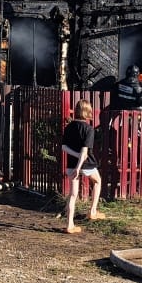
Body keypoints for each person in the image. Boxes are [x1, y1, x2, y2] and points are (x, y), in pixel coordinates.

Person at [61, 98, 103, 233]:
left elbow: (63, 147)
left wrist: (75, 157)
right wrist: (79, 167)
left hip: (71, 165)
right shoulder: (89, 129)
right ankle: (92, 211)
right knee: (97, 181)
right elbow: (84, 152)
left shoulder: (69, 127)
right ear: (88, 112)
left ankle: (69, 225)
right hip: (85, 165)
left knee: (73, 195)